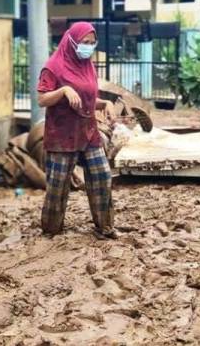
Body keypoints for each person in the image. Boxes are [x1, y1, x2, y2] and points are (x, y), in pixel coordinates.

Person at [37, 21, 117, 240]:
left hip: (88, 131)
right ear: (71, 42)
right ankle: (52, 229)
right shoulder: (53, 66)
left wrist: (104, 104)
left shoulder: (87, 65)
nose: (89, 47)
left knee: (102, 175)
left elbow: (87, 97)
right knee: (58, 185)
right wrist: (63, 90)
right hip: (62, 135)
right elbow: (42, 99)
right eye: (85, 42)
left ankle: (105, 226)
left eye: (92, 43)